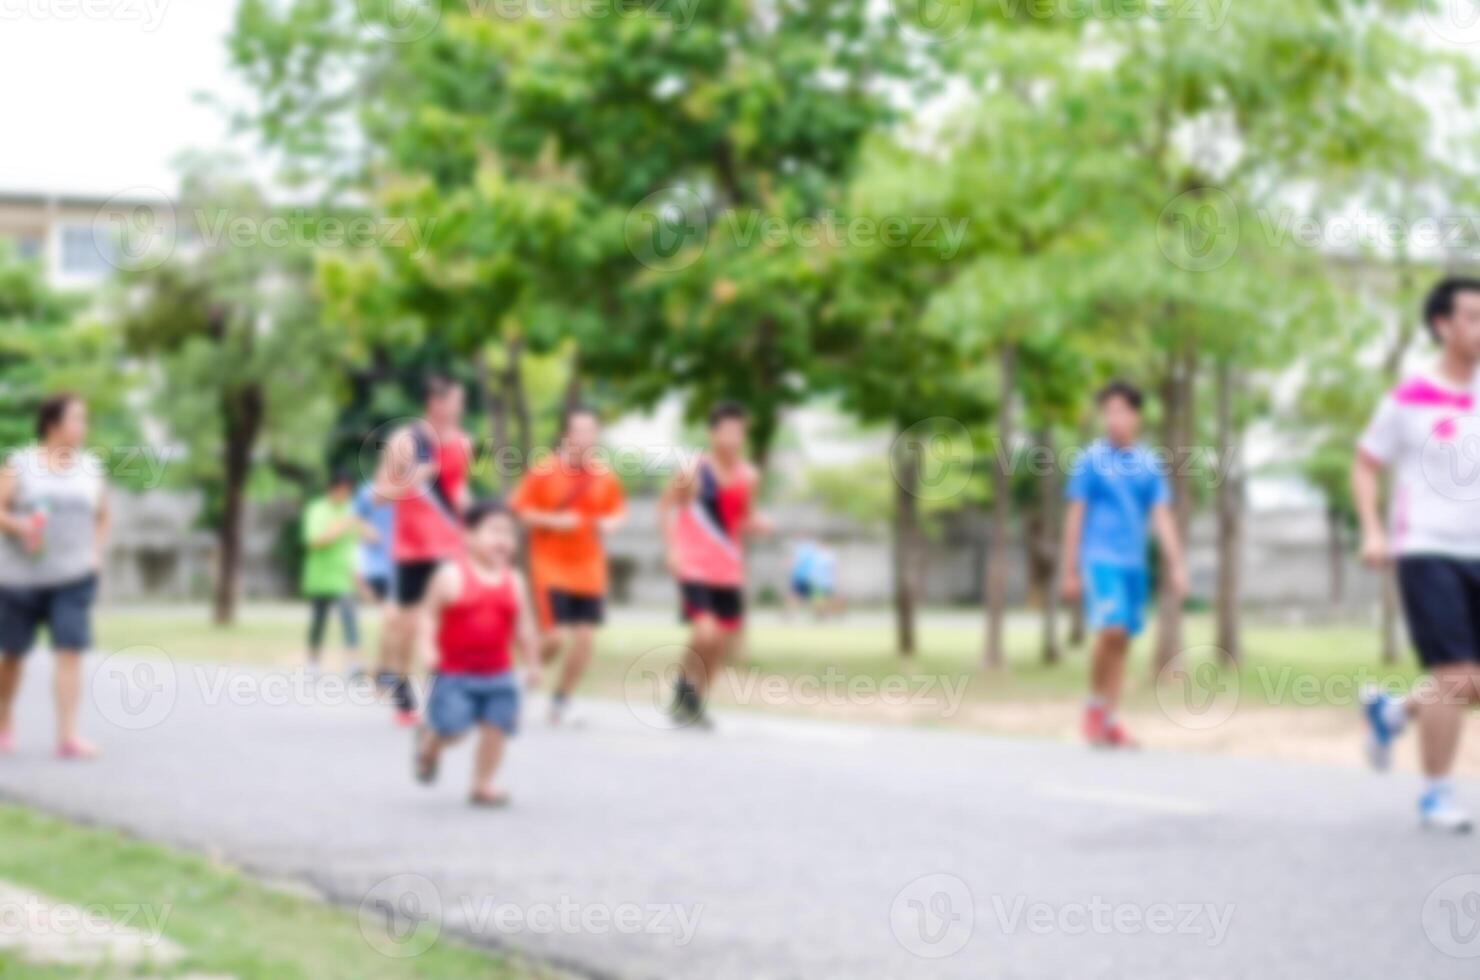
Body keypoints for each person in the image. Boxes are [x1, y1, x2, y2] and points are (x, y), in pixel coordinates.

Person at [1358, 277, 1480, 833]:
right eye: (1473, 317)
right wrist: (1371, 531)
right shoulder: (1408, 396)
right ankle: (1435, 795)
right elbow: (1365, 463)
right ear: (1443, 326)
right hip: (1426, 548)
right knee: (1455, 675)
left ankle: (1392, 711)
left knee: (1469, 682)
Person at [1059, 381, 1188, 750]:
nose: (1113, 419)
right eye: (1107, 412)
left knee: (1123, 641)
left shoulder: (1149, 464)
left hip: (1135, 565)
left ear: (1136, 416)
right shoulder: (1090, 461)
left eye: (1120, 411)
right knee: (1111, 630)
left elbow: (1162, 517)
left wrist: (1177, 565)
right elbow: (1074, 516)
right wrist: (1069, 570)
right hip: (1100, 559)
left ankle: (1111, 719)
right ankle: (1094, 706)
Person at [0, 394, 109, 759]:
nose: (83, 426)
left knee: (70, 652)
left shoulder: (90, 468)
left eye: (85, 419)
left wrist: (95, 553)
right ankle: (3, 722)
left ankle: (67, 736)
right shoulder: (20, 464)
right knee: (12, 655)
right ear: (52, 424)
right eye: (77, 418)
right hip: (20, 579)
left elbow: (103, 515)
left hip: (74, 576)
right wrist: (21, 525)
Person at [414, 499, 539, 807]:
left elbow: (524, 625)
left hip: (499, 672)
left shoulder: (515, 581)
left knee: (497, 728)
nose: (503, 540)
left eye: (509, 534)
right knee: (454, 731)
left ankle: (481, 784)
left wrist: (533, 663)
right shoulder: (450, 577)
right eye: (494, 531)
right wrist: (427, 650)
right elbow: (427, 617)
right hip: (454, 673)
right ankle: (430, 744)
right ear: (467, 536)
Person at [510, 406, 625, 726]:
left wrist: (611, 525)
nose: (585, 438)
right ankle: (523, 678)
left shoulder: (605, 475)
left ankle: (561, 701)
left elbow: (616, 512)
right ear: (566, 435)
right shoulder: (544, 471)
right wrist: (553, 520)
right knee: (556, 636)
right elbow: (519, 511)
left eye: (591, 431)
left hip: (589, 568)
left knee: (586, 638)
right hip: (550, 565)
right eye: (579, 431)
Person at [658, 402, 769, 727]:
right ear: (712, 433)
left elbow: (744, 517)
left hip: (728, 567)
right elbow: (665, 508)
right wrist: (672, 549)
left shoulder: (749, 476)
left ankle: (695, 702)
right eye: (727, 431)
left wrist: (758, 524)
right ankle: (682, 685)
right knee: (704, 632)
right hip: (693, 564)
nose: (733, 438)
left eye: (739, 432)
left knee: (719, 641)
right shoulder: (692, 470)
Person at [373, 376, 472, 727]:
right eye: (457, 400)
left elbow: (458, 493)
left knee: (451, 619)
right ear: (435, 403)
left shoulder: (463, 443)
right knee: (408, 625)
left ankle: (443, 694)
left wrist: (475, 524)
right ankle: (402, 691)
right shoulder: (405, 441)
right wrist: (411, 479)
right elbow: (378, 495)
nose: (461, 407)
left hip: (450, 545)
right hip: (412, 547)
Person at [301, 472, 363, 676]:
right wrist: (340, 528)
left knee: (349, 618)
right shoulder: (318, 510)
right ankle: (313, 664)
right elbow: (315, 540)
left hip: (342, 577)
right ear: (333, 489)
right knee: (318, 621)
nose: (346, 495)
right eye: (343, 491)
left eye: (348, 492)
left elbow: (359, 533)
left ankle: (353, 664)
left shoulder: (350, 510)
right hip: (320, 576)